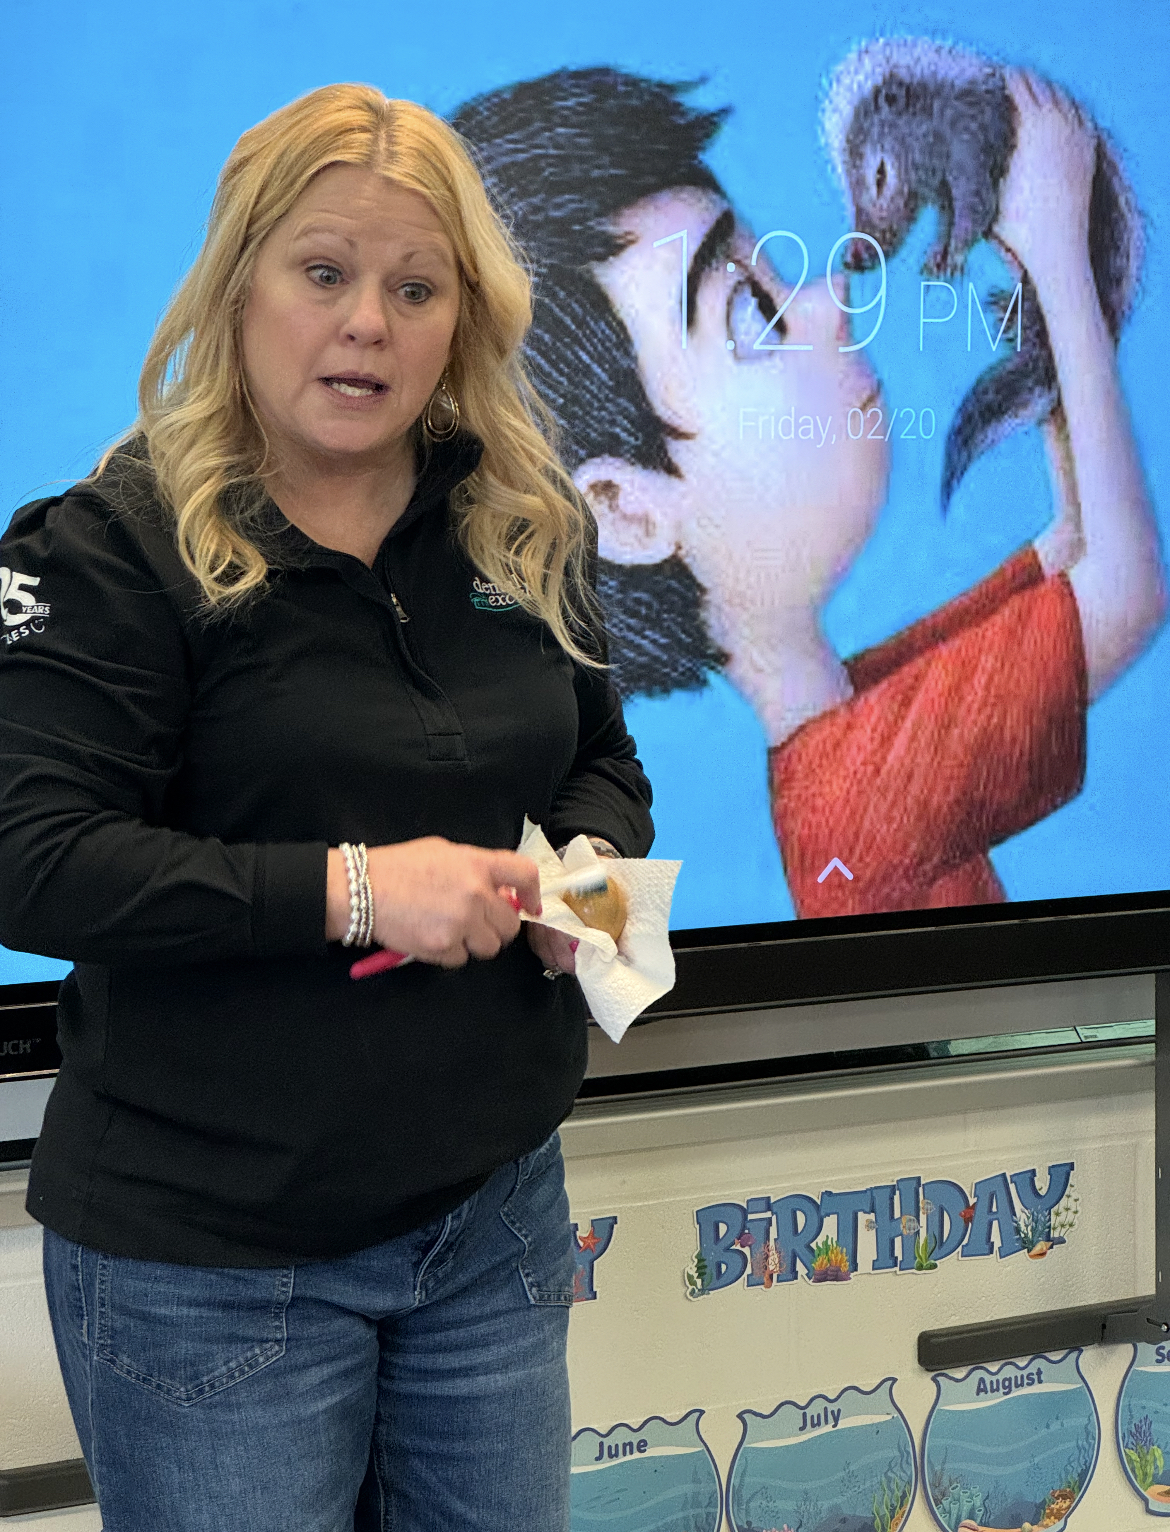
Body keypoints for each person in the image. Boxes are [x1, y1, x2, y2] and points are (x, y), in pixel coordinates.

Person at [0, 83, 653, 1532]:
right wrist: (356, 889)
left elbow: (596, 765)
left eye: (415, 287)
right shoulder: (114, 550)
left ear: (460, 321)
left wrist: (584, 885)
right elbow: (34, 865)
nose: (369, 320)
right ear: (239, 288)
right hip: (211, 1266)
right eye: (324, 273)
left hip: (494, 1222)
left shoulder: (521, 520)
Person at [453, 66, 1165, 918]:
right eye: (753, 310)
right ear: (626, 511)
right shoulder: (861, 788)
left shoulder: (852, 723)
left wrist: (1050, 314)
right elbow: (1125, 589)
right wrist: (1055, 249)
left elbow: (1074, 555)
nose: (830, 298)